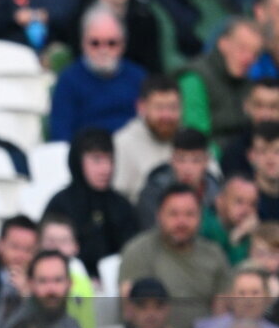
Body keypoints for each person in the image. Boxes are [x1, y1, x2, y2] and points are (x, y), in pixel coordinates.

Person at [119, 184, 231, 328]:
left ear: (200, 217)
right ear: (159, 216)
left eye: (189, 214)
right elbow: (132, 311)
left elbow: (222, 310)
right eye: (173, 214)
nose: (182, 222)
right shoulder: (139, 251)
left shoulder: (214, 254)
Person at [44, 128, 140, 277]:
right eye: (96, 160)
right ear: (77, 161)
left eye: (110, 160)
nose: (106, 169)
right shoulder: (60, 205)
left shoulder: (122, 206)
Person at [50, 8, 145, 143]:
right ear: (83, 43)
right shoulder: (68, 81)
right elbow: (60, 135)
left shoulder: (138, 77)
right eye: (95, 43)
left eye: (111, 43)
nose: (103, 50)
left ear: (123, 44)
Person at [179, 18, 265, 148]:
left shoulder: (249, 83)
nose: (249, 58)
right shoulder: (194, 79)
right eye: (242, 48)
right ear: (222, 43)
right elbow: (196, 138)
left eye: (255, 53)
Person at [112, 75, 183, 204]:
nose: (166, 116)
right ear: (141, 107)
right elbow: (117, 197)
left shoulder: (189, 139)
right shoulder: (123, 143)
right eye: (159, 108)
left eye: (173, 107)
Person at [138, 129, 221, 230]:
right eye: (181, 159)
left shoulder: (217, 195)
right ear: (172, 160)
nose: (187, 168)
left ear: (206, 161)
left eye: (196, 160)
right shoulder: (153, 193)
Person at [220, 79, 279, 178]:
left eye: (273, 107)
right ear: (247, 106)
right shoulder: (234, 153)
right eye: (259, 106)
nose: (266, 115)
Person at [201, 176, 260, 265]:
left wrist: (239, 235)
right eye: (239, 201)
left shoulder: (250, 234)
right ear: (219, 201)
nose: (246, 210)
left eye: (252, 204)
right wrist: (235, 239)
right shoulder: (202, 226)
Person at [250, 121, 279, 220]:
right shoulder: (244, 199)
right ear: (251, 156)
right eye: (263, 151)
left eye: (277, 152)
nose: (270, 159)